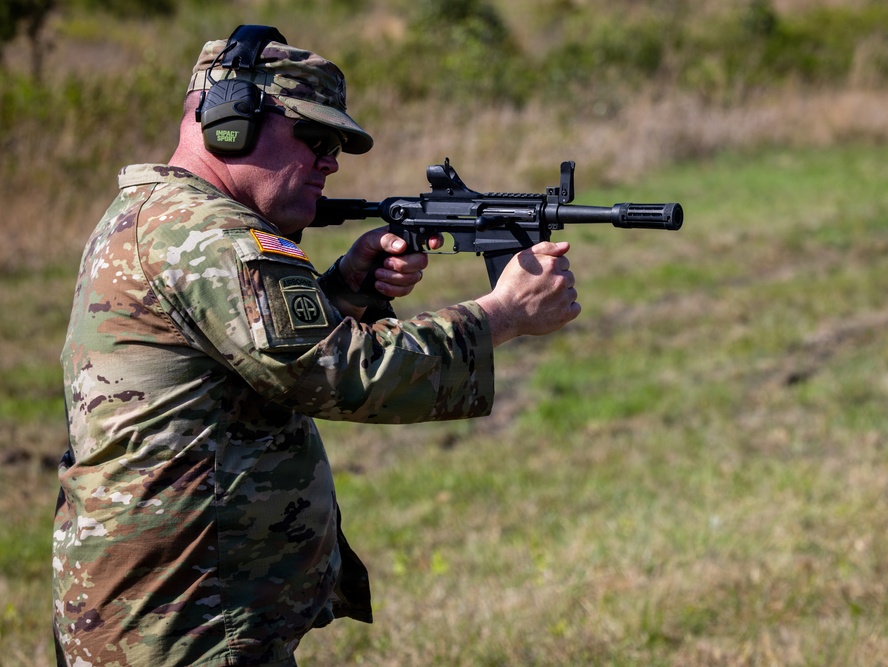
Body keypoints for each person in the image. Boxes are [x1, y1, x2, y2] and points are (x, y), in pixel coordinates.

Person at [52, 25, 579, 667]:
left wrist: (344, 292)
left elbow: (246, 363)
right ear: (229, 122)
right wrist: (501, 315)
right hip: (186, 624)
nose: (331, 161)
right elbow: (337, 373)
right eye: (315, 137)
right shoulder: (208, 235)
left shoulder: (163, 215)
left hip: (176, 610)